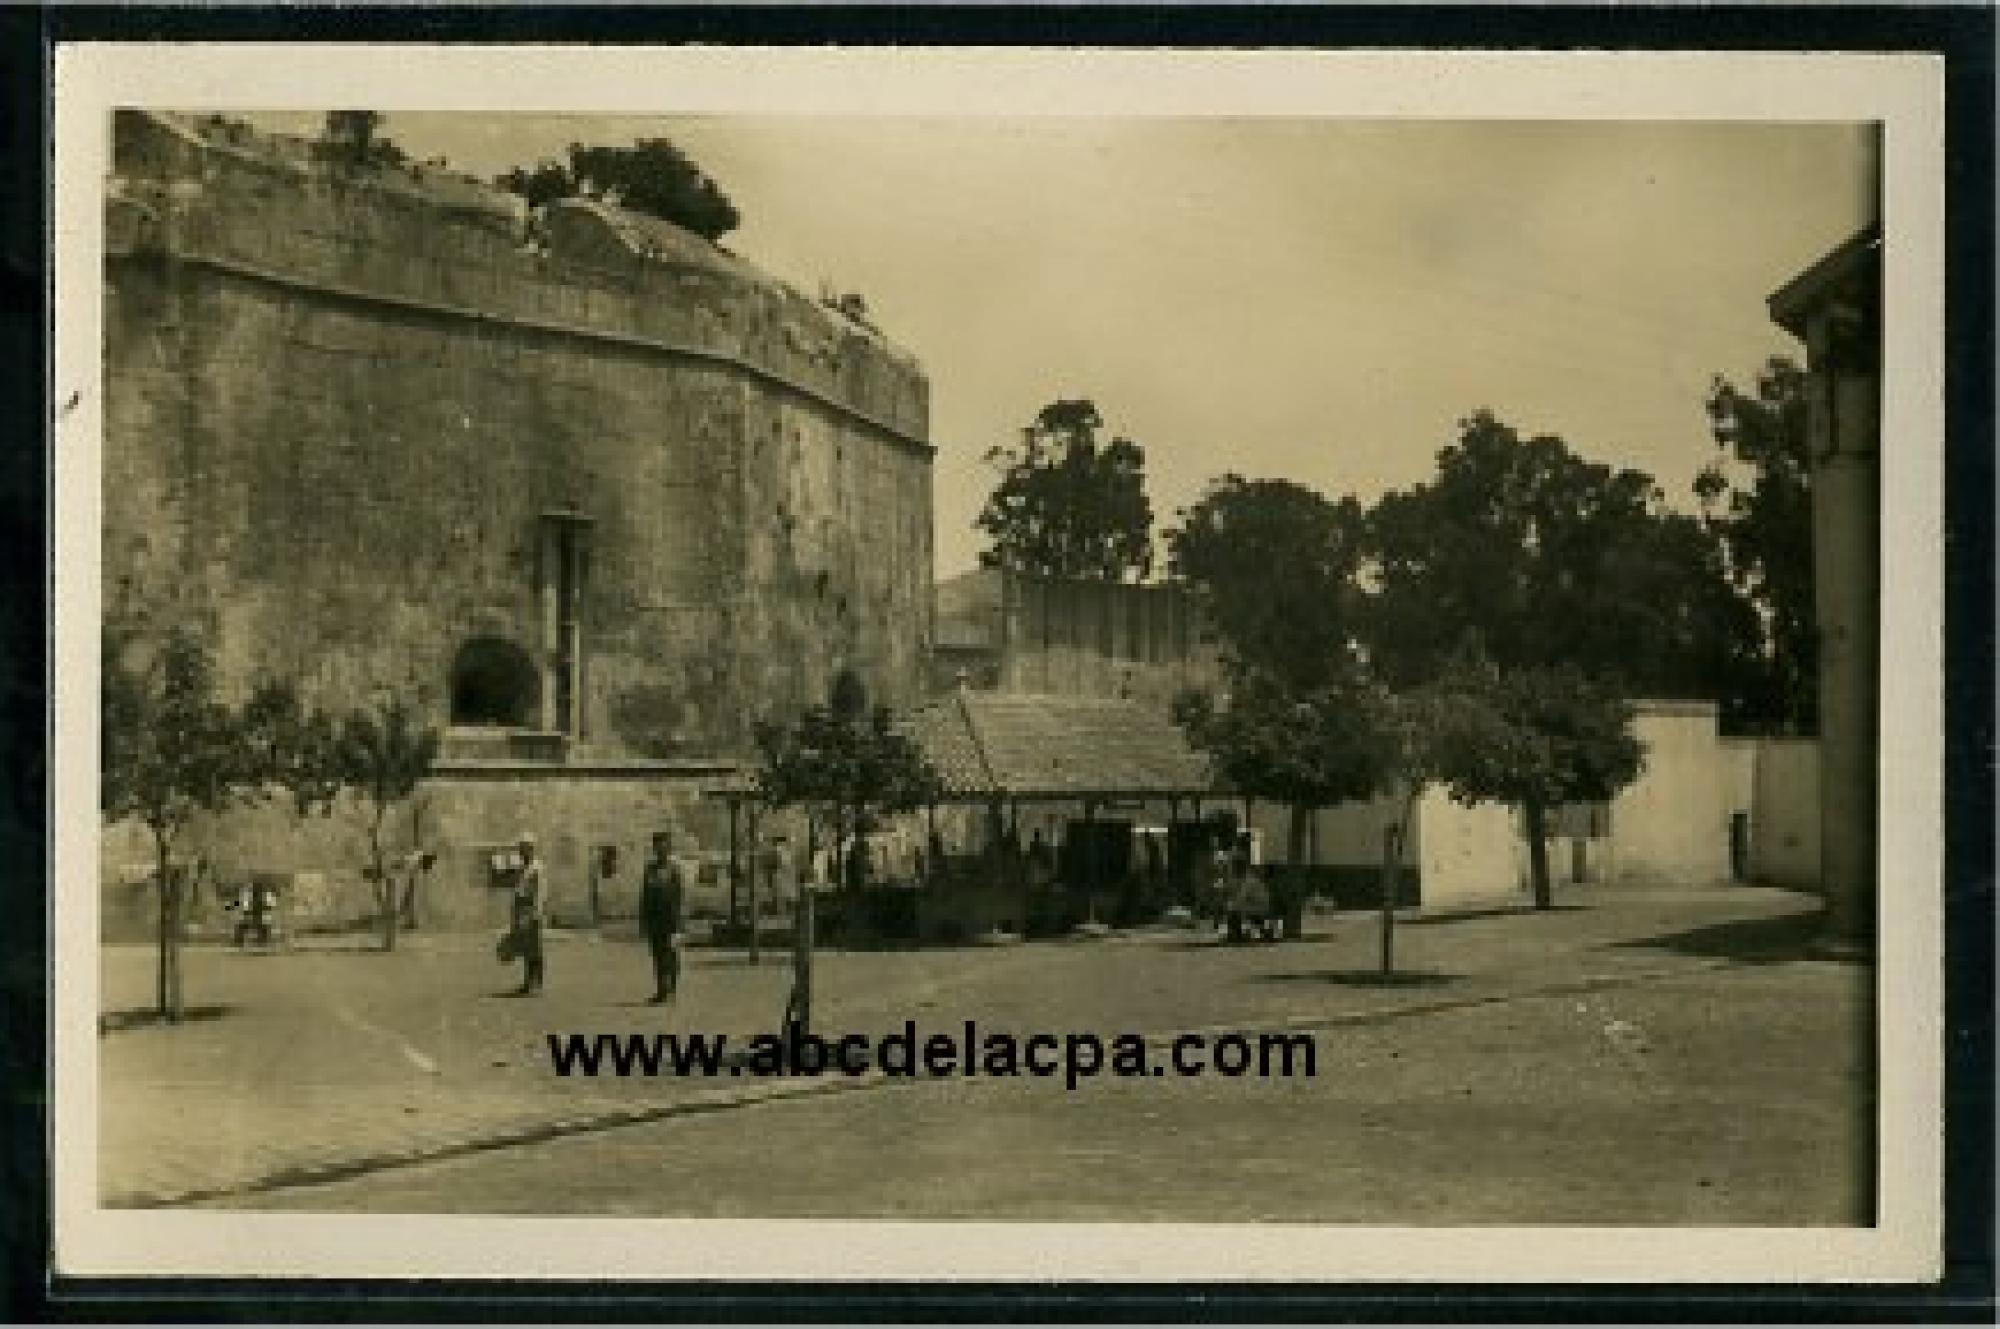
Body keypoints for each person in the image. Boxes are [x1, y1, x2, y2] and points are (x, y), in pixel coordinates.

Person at [639, 830, 686, 1004]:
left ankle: (671, 989)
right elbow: (644, 897)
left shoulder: (674, 870)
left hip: (671, 921)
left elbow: (679, 897)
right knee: (658, 957)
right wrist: (644, 921)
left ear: (668, 848)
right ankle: (661, 990)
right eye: (657, 846)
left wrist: (679, 924)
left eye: (663, 845)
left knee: (671, 956)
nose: (660, 849)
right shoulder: (650, 870)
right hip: (655, 921)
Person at [511, 831, 547, 995]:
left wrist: (536, 913)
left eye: (523, 848)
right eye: (520, 848)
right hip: (522, 910)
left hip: (532, 910)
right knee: (526, 948)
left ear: (531, 849)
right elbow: (518, 889)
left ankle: (537, 983)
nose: (521, 851)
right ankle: (527, 982)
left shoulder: (537, 868)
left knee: (535, 948)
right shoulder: (522, 868)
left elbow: (540, 892)